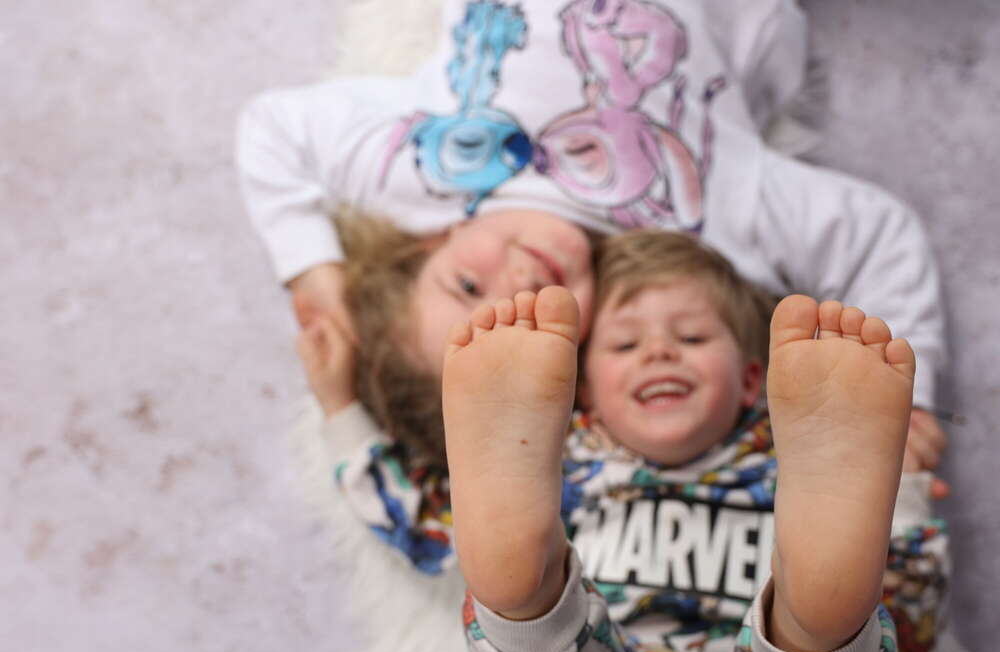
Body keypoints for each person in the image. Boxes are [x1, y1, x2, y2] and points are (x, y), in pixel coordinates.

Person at [238, 0, 948, 475]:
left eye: (468, 285)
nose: (521, 286)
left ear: (427, 245)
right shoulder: (700, 238)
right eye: (531, 327)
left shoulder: (425, 168)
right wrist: (905, 399)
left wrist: (317, 280)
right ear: (585, 367)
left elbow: (270, 131)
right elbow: (879, 238)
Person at [302, 228, 948, 652]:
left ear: (754, 379)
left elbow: (916, 618)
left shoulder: (794, 453)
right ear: (581, 390)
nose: (660, 351)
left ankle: (814, 617)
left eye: (693, 337)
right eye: (625, 344)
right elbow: (423, 516)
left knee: (847, 611)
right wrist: (340, 407)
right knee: (836, 640)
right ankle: (529, 587)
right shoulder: (563, 455)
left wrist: (901, 487)